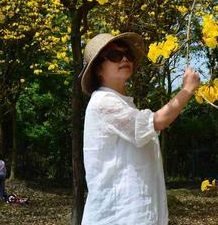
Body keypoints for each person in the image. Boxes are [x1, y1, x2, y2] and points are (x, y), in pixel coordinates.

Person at [79, 32, 200, 225]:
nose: (125, 58)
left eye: (128, 54)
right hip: (119, 215)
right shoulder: (104, 102)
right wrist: (187, 90)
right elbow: (157, 121)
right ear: (98, 69)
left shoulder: (122, 104)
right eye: (114, 55)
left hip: (131, 213)